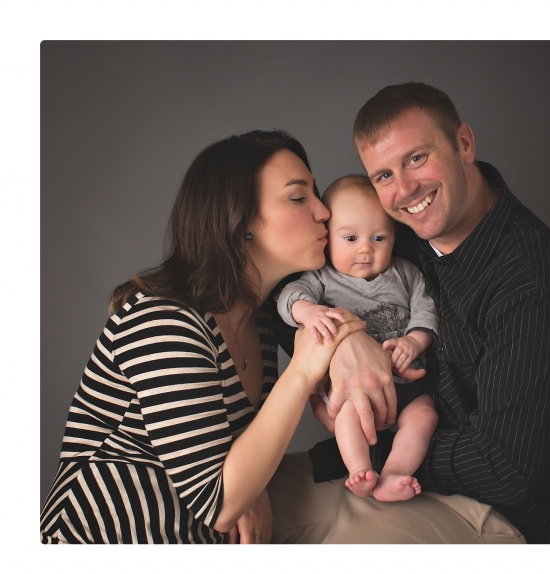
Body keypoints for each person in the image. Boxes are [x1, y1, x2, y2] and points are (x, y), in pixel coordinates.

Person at [268, 82, 550, 544]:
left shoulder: (536, 285)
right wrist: (344, 345)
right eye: (383, 175)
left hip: (482, 510)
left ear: (463, 143)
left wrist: (372, 451)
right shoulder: (393, 236)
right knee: (221, 517)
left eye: (416, 158)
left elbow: (506, 470)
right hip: (373, 465)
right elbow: (287, 300)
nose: (404, 190)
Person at [39, 130, 365, 543]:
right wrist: (301, 372)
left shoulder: (258, 318)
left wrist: (256, 487)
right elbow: (220, 500)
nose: (324, 211)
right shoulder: (164, 320)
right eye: (299, 198)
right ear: (240, 219)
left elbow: (232, 458)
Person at [276, 175, 439, 501]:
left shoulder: (407, 273)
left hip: (407, 386)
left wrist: (415, 342)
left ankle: (395, 474)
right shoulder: (321, 277)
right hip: (352, 389)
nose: (365, 248)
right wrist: (307, 311)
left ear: (394, 236)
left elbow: (427, 312)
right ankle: (359, 469)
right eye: (350, 238)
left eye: (379, 238)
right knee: (347, 415)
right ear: (328, 238)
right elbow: (288, 297)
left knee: (424, 417)